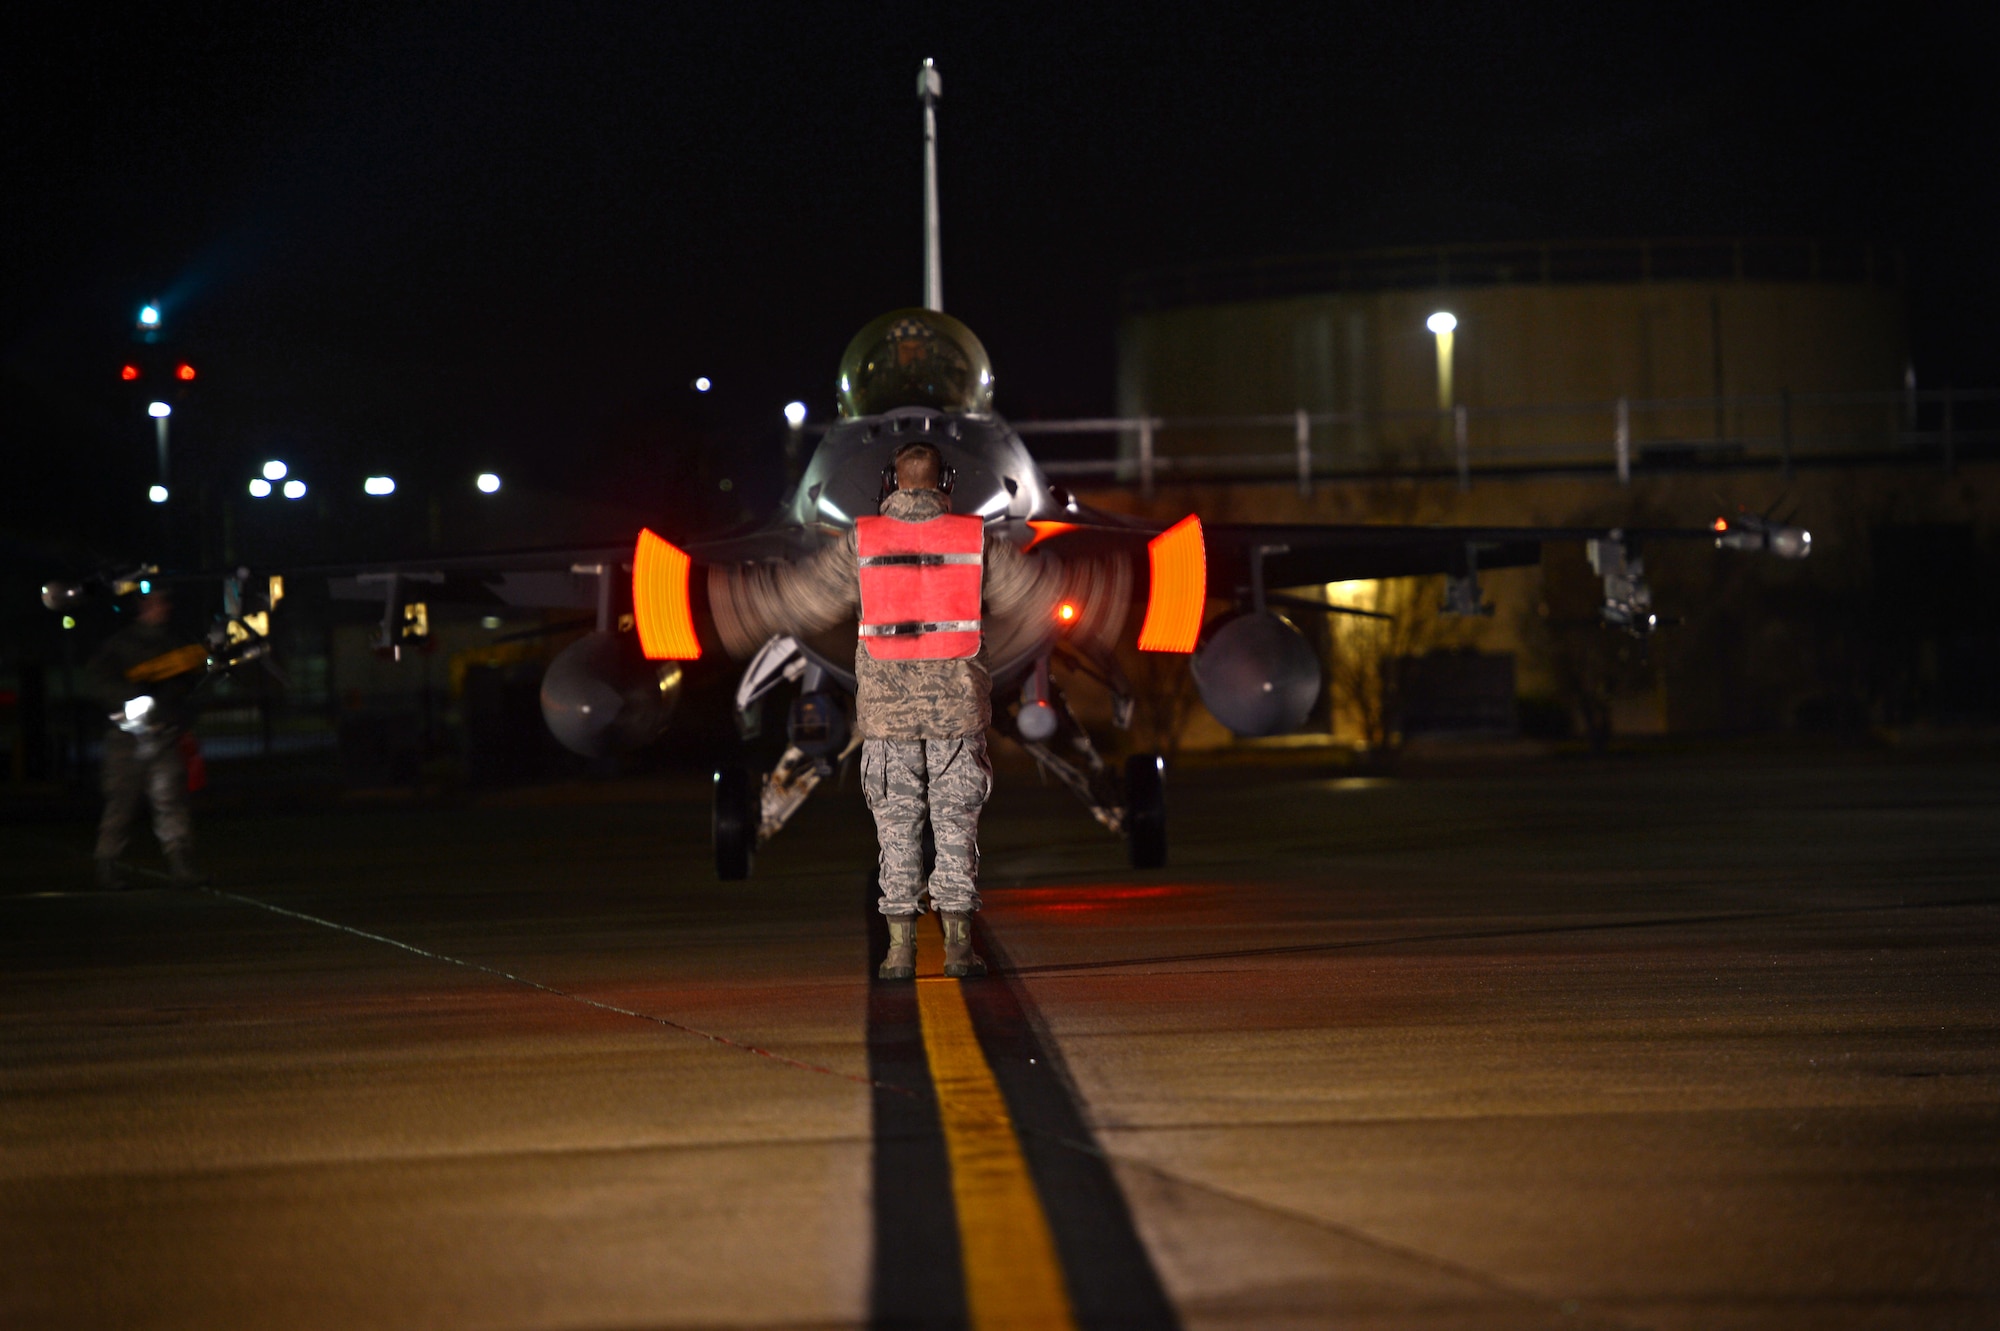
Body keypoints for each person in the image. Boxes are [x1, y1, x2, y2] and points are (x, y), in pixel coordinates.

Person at [710, 440, 1062, 979]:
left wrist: (740, 606)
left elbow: (802, 600)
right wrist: (1098, 595)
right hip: (957, 711)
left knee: (895, 831)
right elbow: (1034, 600)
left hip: (886, 716)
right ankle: (960, 951)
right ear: (945, 483)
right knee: (956, 829)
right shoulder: (975, 539)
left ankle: (899, 953)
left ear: (891, 483)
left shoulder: (862, 540)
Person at [85, 588, 207, 888]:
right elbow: (98, 681)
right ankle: (107, 865)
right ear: (142, 607)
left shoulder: (176, 642)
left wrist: (177, 717)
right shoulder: (121, 644)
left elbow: (191, 686)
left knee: (171, 802)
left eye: (164, 602)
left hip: (163, 734)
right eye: (155, 603)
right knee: (122, 803)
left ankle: (181, 864)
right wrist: (132, 701)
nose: (162, 608)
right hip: (128, 736)